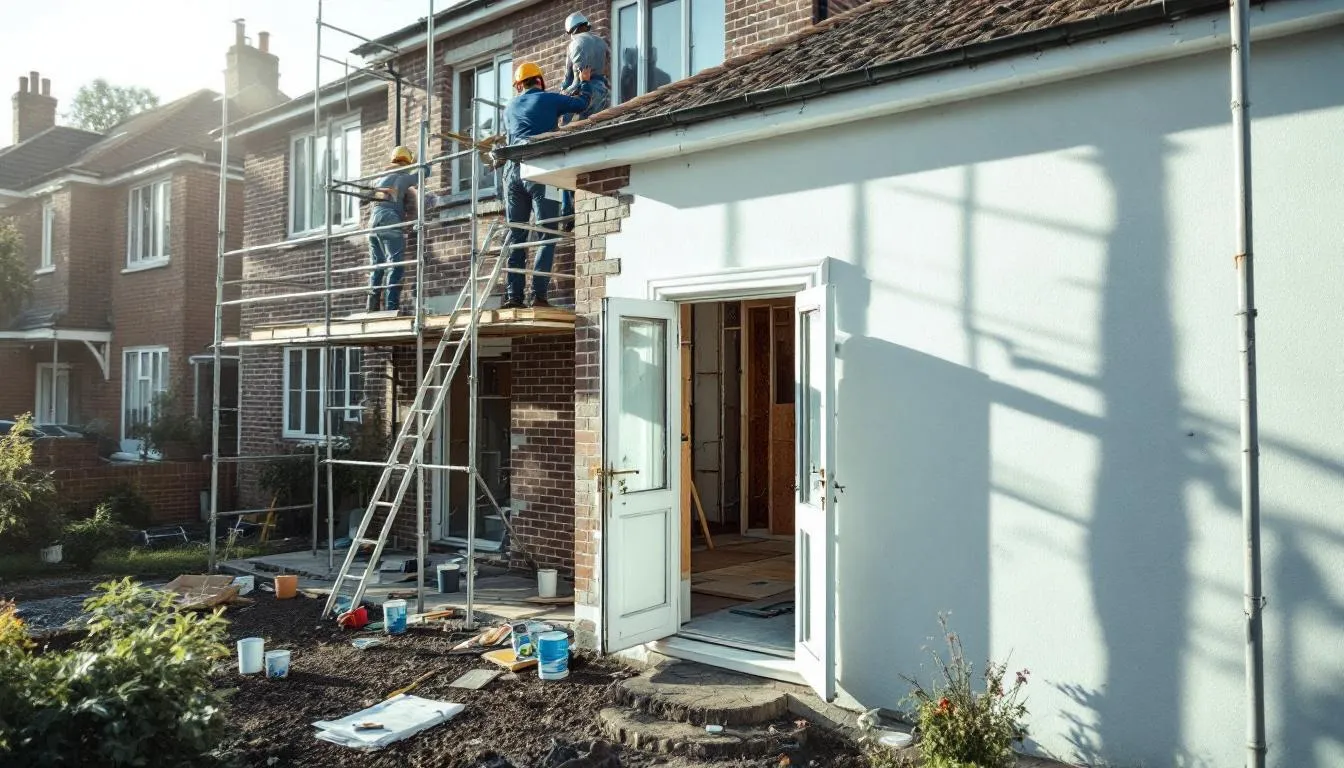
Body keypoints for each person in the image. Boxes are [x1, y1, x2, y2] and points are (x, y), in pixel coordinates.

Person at [501, 61, 592, 309]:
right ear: (540, 81)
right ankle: (539, 296)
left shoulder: (508, 108)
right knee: (546, 234)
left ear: (519, 85)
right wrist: (583, 81)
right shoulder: (549, 99)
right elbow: (583, 103)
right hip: (541, 171)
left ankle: (514, 297)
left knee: (517, 236)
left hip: (511, 173)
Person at [558, 11, 611, 228]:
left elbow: (569, 79)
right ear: (585, 25)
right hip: (601, 91)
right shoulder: (602, 43)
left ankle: (567, 209)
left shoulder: (573, 45)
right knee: (592, 135)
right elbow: (606, 69)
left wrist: (562, 94)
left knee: (565, 144)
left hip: (580, 90)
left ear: (571, 30)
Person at [366, 145, 423, 313]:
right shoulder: (402, 176)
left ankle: (372, 306)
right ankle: (391, 306)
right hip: (389, 219)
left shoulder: (380, 178)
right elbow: (422, 175)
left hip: (373, 222)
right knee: (396, 264)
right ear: (407, 162)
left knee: (377, 265)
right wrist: (423, 162)